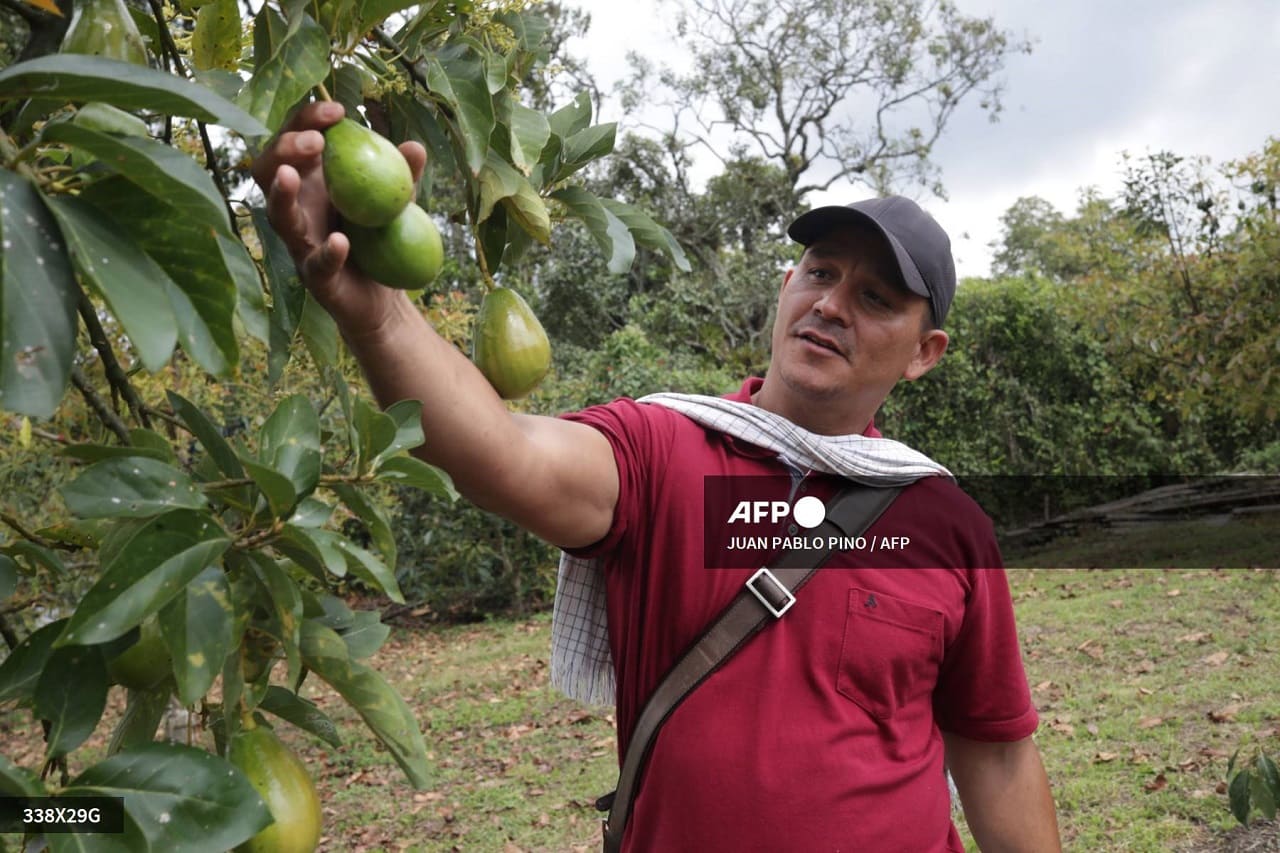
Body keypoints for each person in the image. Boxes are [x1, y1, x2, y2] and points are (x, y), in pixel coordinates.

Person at [255, 101, 1061, 852]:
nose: (832, 304)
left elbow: (995, 756)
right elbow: (497, 452)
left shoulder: (946, 523)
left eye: (876, 295)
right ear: (786, 289)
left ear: (926, 352)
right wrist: (379, 313)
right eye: (819, 273)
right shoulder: (663, 449)